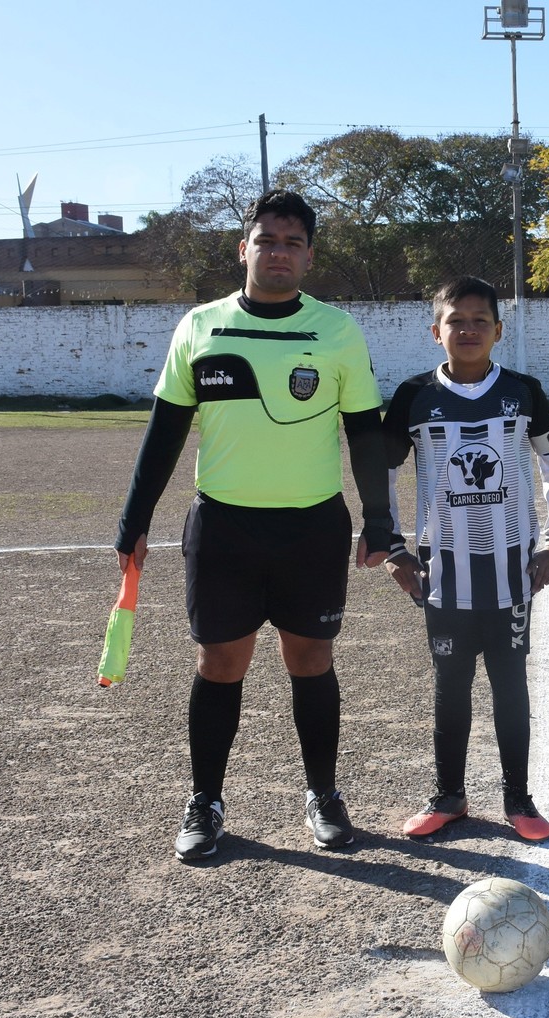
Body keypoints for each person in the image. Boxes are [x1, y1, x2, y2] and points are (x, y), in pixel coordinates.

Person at [114, 189, 392, 861]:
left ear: (308, 256)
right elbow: (165, 432)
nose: (279, 253)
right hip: (225, 529)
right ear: (245, 249)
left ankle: (323, 795)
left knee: (311, 659)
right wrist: (135, 517)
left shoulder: (337, 331)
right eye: (267, 240)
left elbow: (363, 432)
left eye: (292, 243)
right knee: (219, 662)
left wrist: (380, 517)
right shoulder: (200, 326)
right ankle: (205, 801)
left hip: (311, 529)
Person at [379, 276, 549, 842]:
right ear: (436, 330)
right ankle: (448, 796)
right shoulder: (414, 396)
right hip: (442, 571)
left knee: (511, 681)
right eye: (456, 321)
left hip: (512, 570)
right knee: (451, 682)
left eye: (480, 321)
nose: (468, 330)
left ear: (497, 330)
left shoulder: (524, 391)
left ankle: (519, 798)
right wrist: (394, 548)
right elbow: (381, 475)